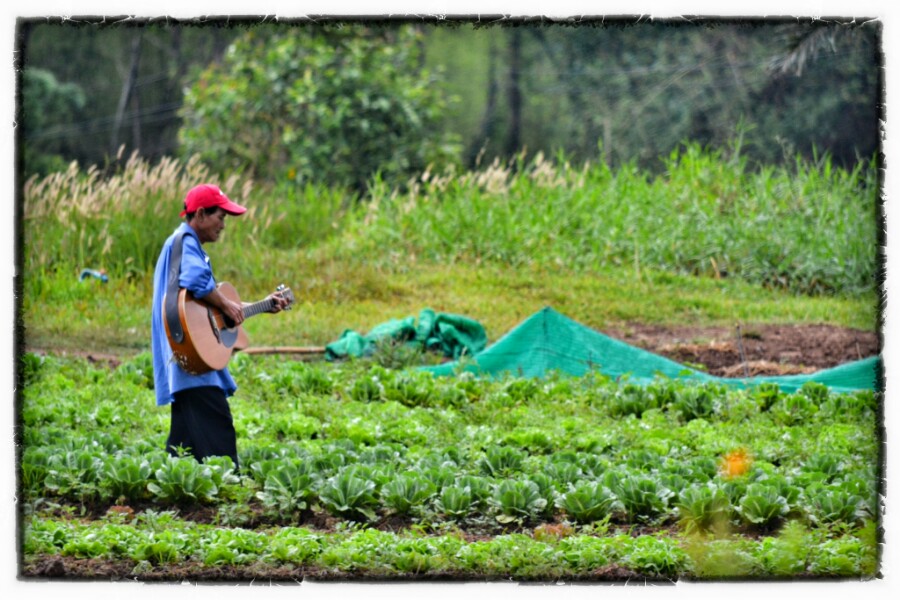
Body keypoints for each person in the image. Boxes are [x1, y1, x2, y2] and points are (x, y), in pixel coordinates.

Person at [150, 183, 289, 469]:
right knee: (218, 423)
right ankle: (229, 489)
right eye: (221, 217)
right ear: (200, 214)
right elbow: (197, 281)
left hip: (188, 353)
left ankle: (175, 487)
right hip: (191, 356)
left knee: (185, 439)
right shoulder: (185, 243)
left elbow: (205, 305)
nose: (223, 225)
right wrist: (227, 305)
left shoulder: (181, 244)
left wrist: (261, 305)